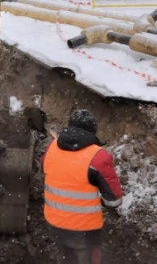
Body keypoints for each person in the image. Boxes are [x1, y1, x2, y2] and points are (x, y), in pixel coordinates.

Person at [41, 109, 124, 264]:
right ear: (93, 131)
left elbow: (45, 168)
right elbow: (114, 200)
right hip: (84, 231)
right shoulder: (99, 157)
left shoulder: (51, 148)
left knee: (65, 259)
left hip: (54, 224)